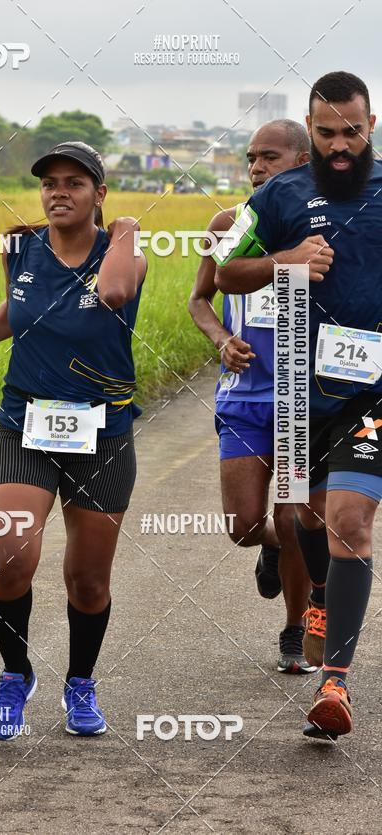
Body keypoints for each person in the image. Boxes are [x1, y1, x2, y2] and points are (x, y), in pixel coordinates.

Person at [0, 141, 146, 739]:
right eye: (49, 183)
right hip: (25, 422)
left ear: (99, 193)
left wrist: (125, 230)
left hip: (103, 431)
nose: (59, 192)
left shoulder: (128, 253)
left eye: (75, 183)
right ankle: (15, 676)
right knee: (10, 561)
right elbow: (20, 309)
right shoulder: (19, 247)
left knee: (87, 580)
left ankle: (80, 684)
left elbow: (112, 294)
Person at [215, 71, 380, 740]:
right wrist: (284, 258)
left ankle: (334, 683)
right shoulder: (281, 194)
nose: (340, 146)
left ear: (372, 126)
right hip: (297, 391)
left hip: (372, 395)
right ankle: (316, 595)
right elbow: (226, 270)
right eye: (326, 133)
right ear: (309, 132)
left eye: (352, 132)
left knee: (349, 522)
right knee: (303, 517)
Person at [188, 120, 313, 674]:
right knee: (243, 526)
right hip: (243, 398)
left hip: (301, 400)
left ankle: (294, 628)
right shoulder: (227, 224)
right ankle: (272, 546)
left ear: (303, 162)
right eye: (251, 157)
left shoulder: (324, 229)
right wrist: (221, 340)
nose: (257, 167)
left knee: (294, 520)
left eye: (270, 157)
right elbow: (199, 300)